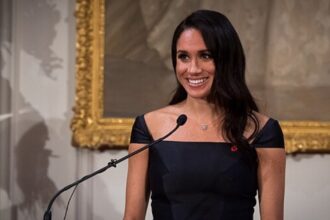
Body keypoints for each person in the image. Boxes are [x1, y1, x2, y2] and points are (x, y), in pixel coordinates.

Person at [123, 9, 285, 220]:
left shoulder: (263, 131)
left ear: (228, 60)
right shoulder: (148, 126)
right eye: (183, 57)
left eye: (205, 56)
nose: (193, 69)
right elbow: (132, 217)